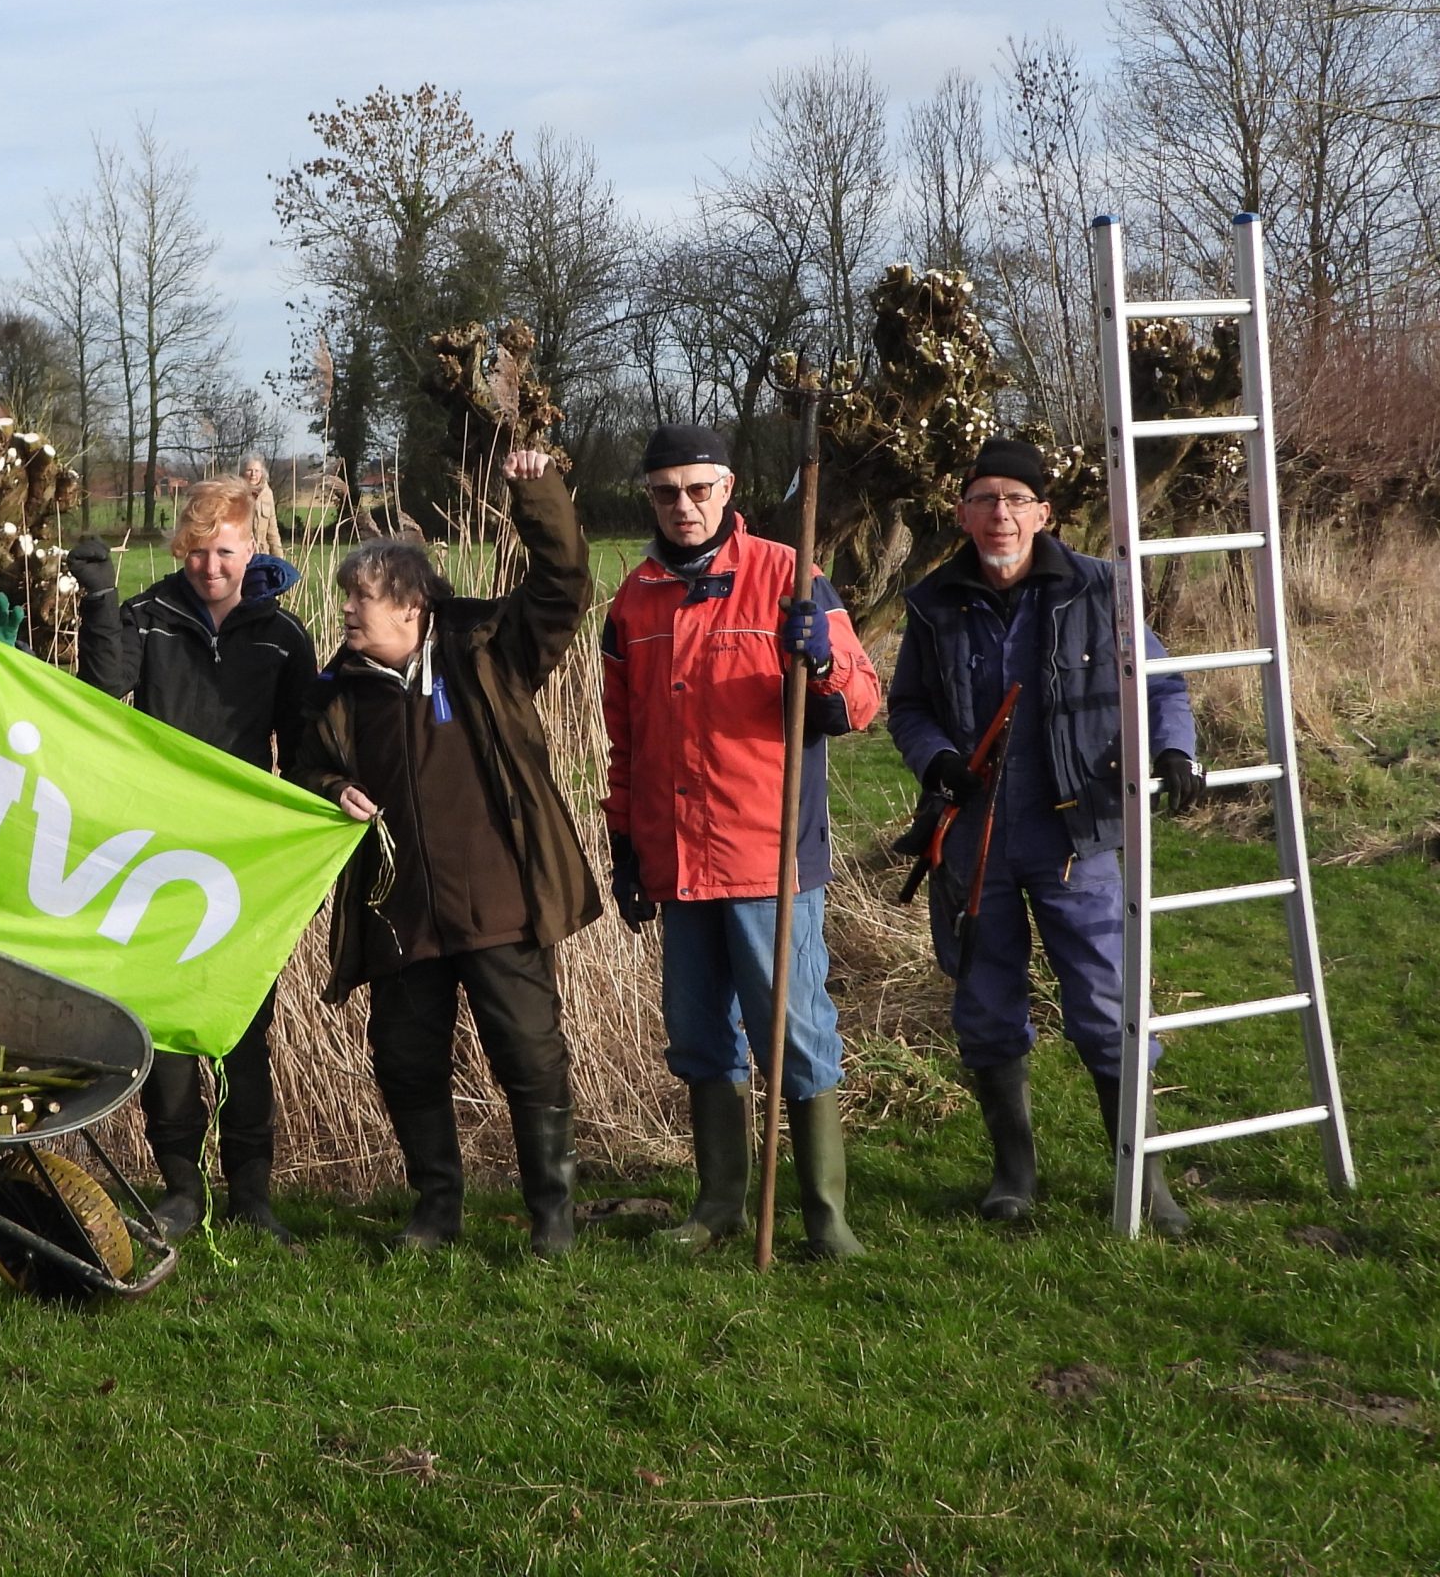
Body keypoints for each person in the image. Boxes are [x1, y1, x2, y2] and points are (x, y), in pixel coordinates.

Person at [888, 435, 1204, 1235]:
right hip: (975, 839)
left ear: (1045, 513)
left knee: (1105, 1003)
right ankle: (1013, 1172)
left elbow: (1159, 681)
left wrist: (1175, 749)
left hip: (1077, 836)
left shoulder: (1102, 588)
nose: (1000, 515)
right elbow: (909, 709)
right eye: (985, 499)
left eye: (1016, 500)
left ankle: (1144, 1175)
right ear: (961, 514)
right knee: (986, 1004)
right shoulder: (931, 604)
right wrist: (940, 760)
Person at [296, 448, 601, 1258]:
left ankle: (553, 1216)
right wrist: (331, 790)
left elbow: (565, 582)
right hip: (403, 920)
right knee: (404, 1062)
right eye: (346, 602)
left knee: (530, 1058)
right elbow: (306, 766)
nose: (348, 616)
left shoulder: (490, 652)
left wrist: (535, 493)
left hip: (500, 906)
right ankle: (436, 1210)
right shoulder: (339, 691)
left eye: (361, 601)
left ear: (413, 606)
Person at [601, 424, 882, 1260]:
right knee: (696, 1032)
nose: (683, 506)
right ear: (648, 497)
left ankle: (827, 1217)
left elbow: (862, 703)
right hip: (676, 855)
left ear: (727, 490)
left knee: (792, 1028)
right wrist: (625, 843)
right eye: (665, 492)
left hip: (768, 853)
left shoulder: (788, 577)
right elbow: (625, 738)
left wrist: (822, 656)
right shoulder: (634, 600)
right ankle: (720, 1201)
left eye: (698, 489)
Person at [70, 477, 320, 1242]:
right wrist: (98, 601)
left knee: (246, 1032)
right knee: (169, 1033)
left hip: (242, 864)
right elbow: (103, 688)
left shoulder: (284, 638)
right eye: (198, 551)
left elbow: (306, 752)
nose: (211, 567)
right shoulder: (148, 621)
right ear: (180, 549)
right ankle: (180, 1186)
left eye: (226, 552)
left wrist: (327, 805)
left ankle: (252, 1194)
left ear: (252, 550)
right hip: (161, 855)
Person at [239, 457, 285, 559]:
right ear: (242, 472)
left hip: (262, 555)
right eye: (249, 470)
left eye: (257, 471)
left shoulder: (267, 494)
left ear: (262, 473)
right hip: (241, 555)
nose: (253, 474)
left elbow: (272, 531)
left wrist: (280, 559)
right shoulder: (236, 493)